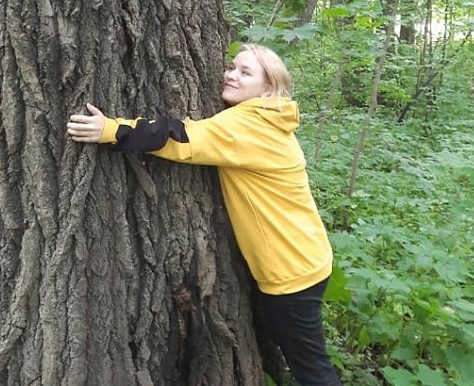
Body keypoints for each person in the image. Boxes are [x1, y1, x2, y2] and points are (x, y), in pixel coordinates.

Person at [66, 43, 341, 386]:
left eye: (246, 72)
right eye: (232, 67)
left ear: (268, 88)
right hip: (304, 260)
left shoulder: (250, 126)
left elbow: (182, 138)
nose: (231, 75)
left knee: (313, 372)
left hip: (292, 274)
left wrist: (111, 130)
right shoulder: (270, 118)